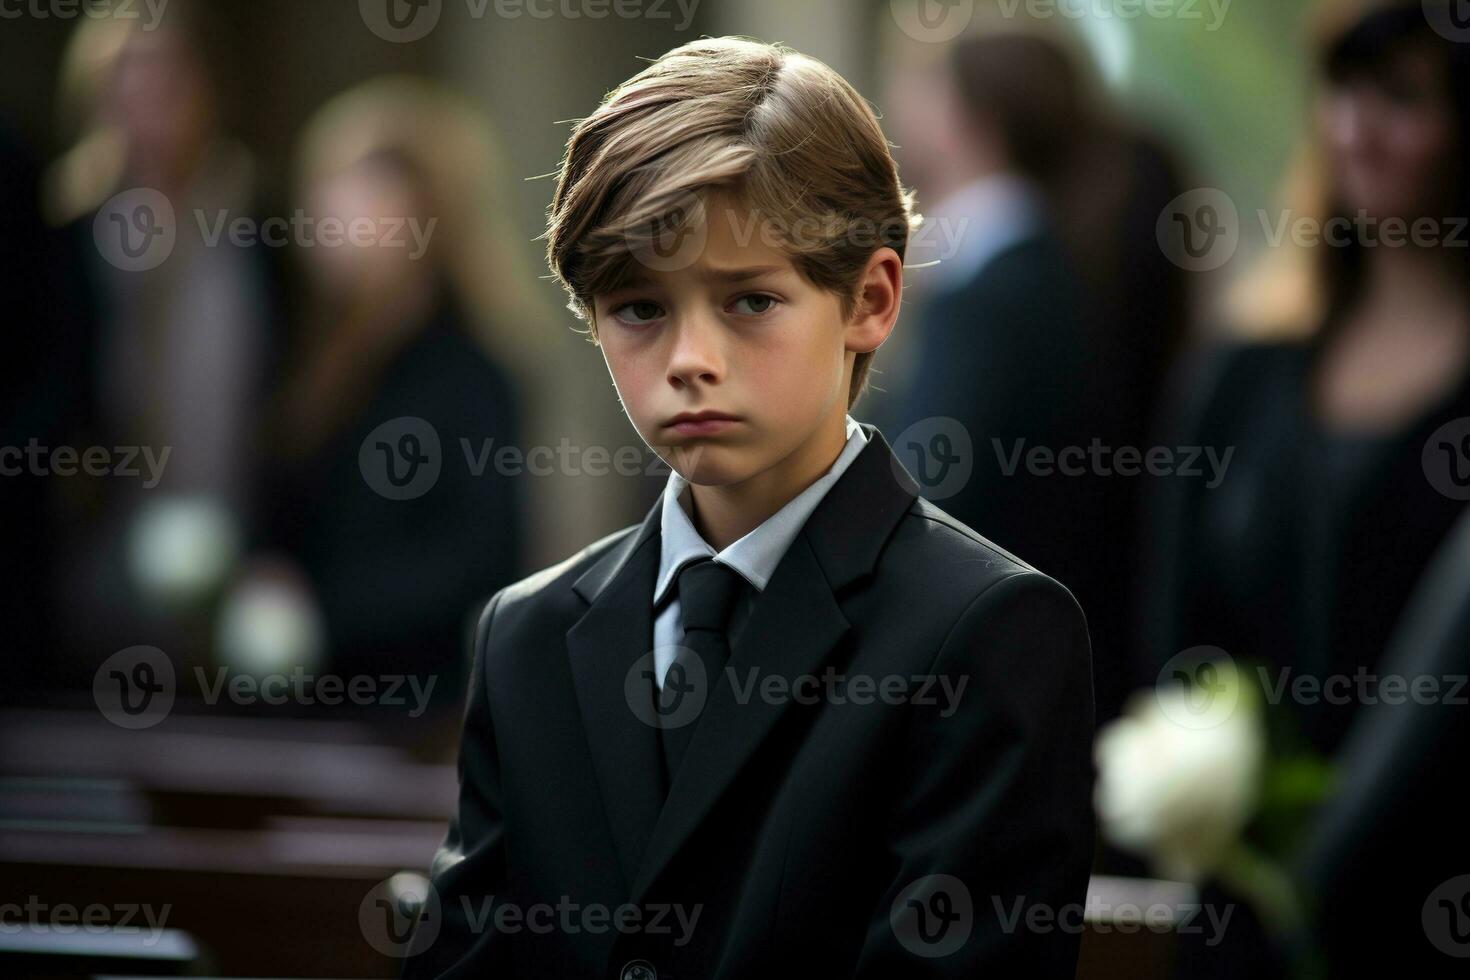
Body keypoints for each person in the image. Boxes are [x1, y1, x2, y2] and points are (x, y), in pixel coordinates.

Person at [402, 37, 1095, 978]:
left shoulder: (987, 632)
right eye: (640, 307)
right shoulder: (526, 635)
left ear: (871, 299)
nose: (690, 358)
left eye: (750, 301)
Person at [1139, 0, 1470, 974]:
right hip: (1241, 927)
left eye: (1404, 97)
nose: (1357, 128)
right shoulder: (1240, 383)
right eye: (1342, 89)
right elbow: (1167, 652)